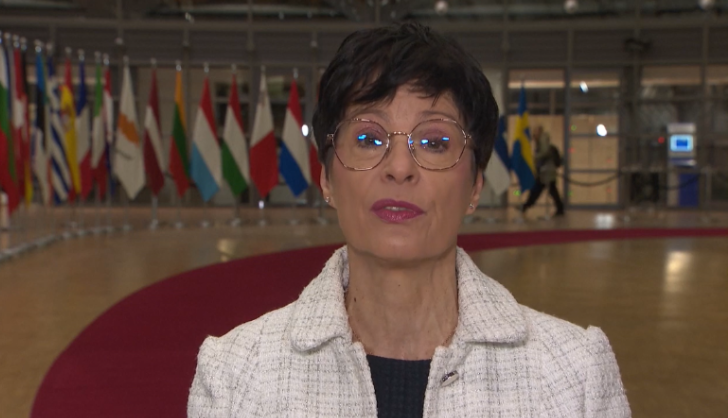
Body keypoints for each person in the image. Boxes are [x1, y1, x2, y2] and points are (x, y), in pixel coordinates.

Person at [188, 22, 629, 417]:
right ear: (326, 178)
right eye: (368, 138)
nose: (399, 168)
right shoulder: (235, 376)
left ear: (475, 185)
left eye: (434, 142)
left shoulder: (575, 376)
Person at [521, 126, 565, 216]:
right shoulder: (541, 141)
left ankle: (526, 206)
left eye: (535, 131)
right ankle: (560, 208)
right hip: (546, 171)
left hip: (546, 171)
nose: (534, 134)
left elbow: (544, 152)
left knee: (539, 190)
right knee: (550, 190)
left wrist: (535, 157)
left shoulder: (543, 139)